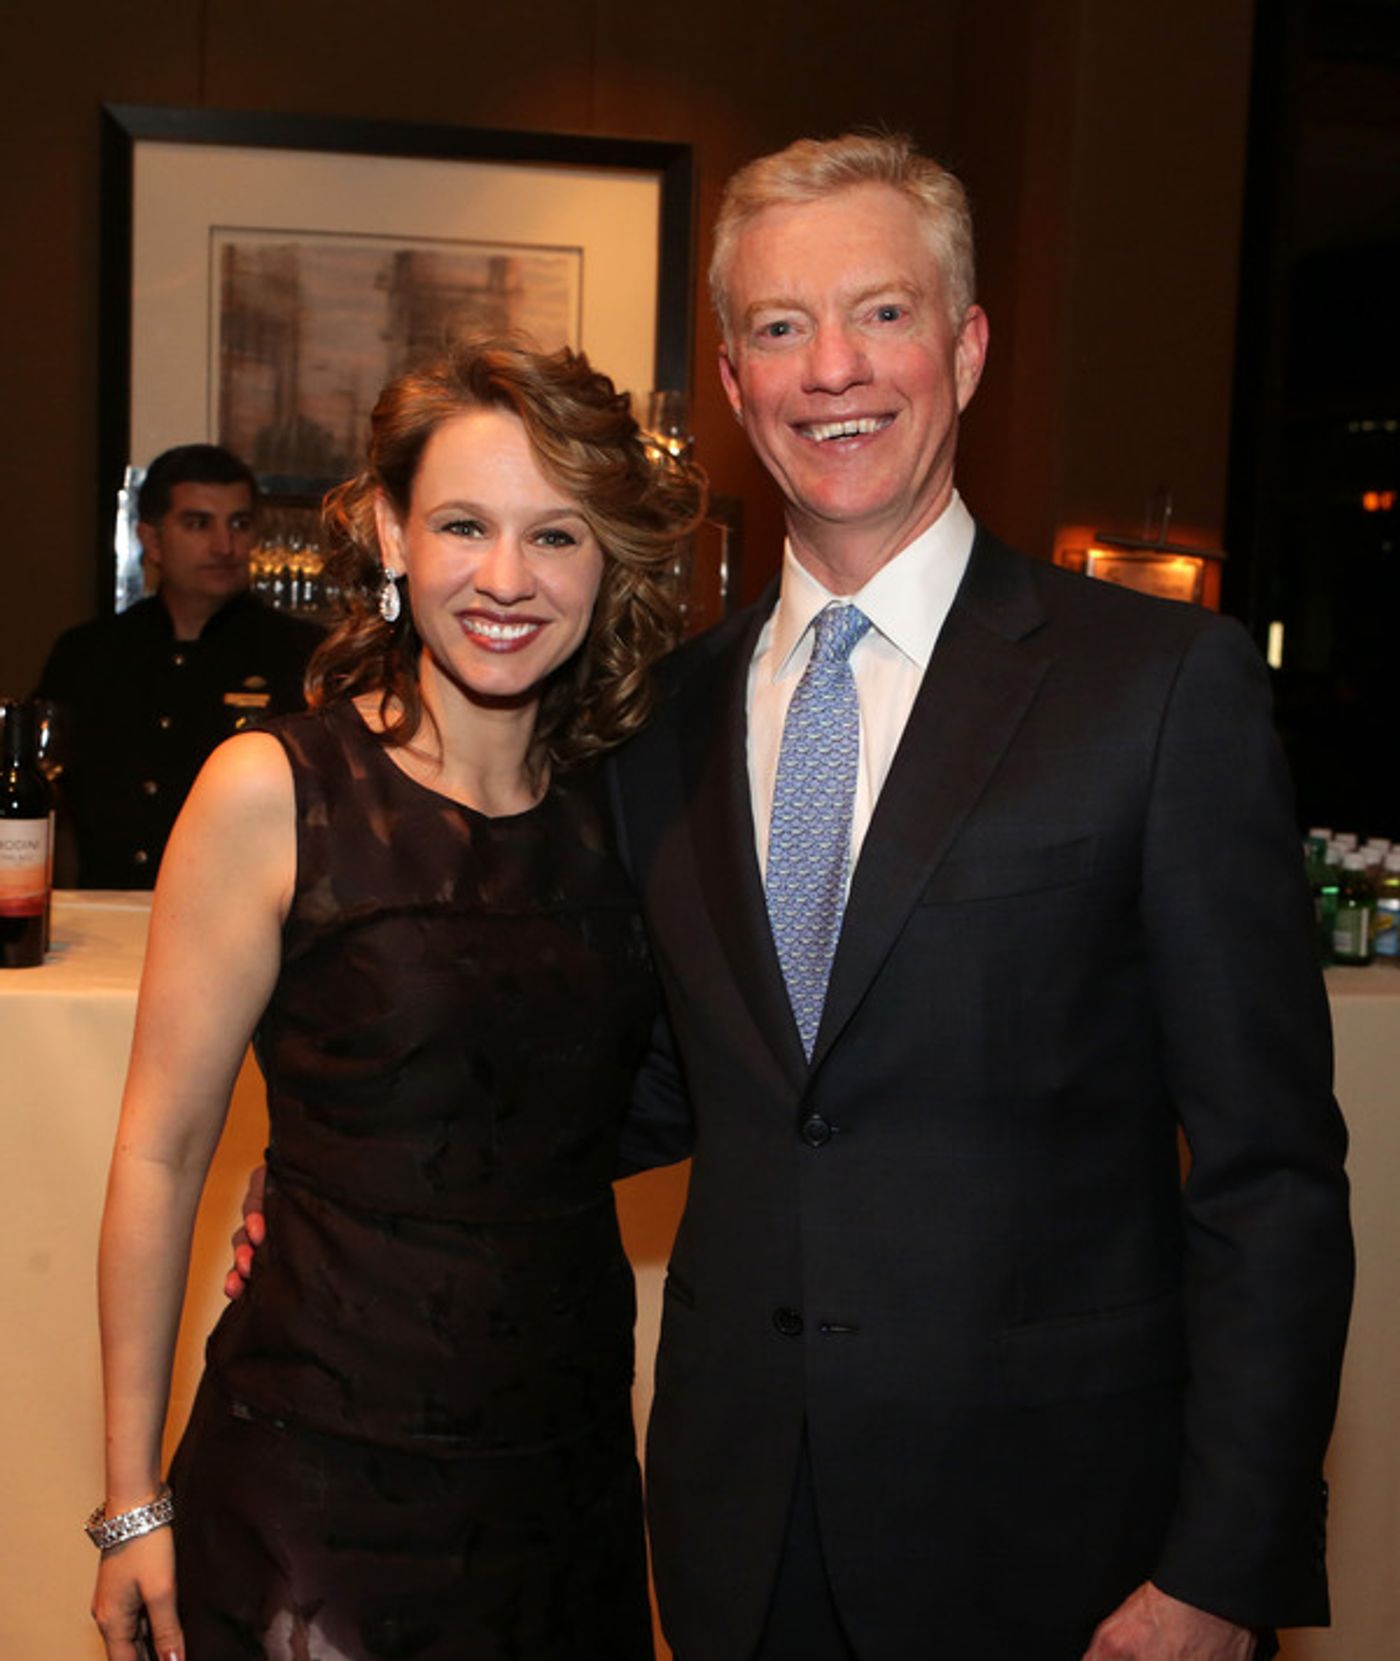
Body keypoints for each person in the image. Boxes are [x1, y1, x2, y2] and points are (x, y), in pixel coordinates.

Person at [605, 134, 1353, 1660]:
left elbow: (1270, 1171)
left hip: (1067, 1546)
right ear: (734, 384)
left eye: (881, 312)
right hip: (740, 1530)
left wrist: (1223, 1565)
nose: (833, 370)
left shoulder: (1156, 688)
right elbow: (666, 1085)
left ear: (965, 346)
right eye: (777, 327)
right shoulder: (658, 720)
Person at [89, 341, 705, 1661]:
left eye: (555, 535)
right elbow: (158, 1151)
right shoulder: (271, 790)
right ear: (388, 531)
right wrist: (131, 1502)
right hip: (313, 1478)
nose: (505, 578)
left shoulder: (634, 811)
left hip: (567, 1476)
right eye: (464, 525)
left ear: (607, 558)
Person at [35, 444, 322, 887]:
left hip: (244, 922)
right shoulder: (88, 654)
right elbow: (37, 786)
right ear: (151, 541)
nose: (224, 546)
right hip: (106, 917)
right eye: (197, 524)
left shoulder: (302, 655)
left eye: (240, 524)